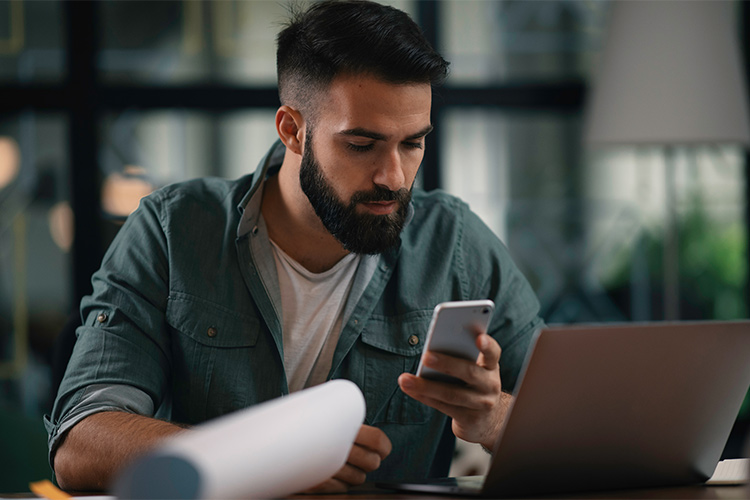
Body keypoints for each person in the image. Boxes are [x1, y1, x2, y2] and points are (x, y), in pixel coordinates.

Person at [46, 0, 543, 493]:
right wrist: (261, 459)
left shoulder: (454, 241)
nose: (394, 177)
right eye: (361, 144)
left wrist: (495, 419)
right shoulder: (173, 231)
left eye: (412, 143)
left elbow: (580, 434)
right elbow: (80, 444)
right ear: (292, 129)